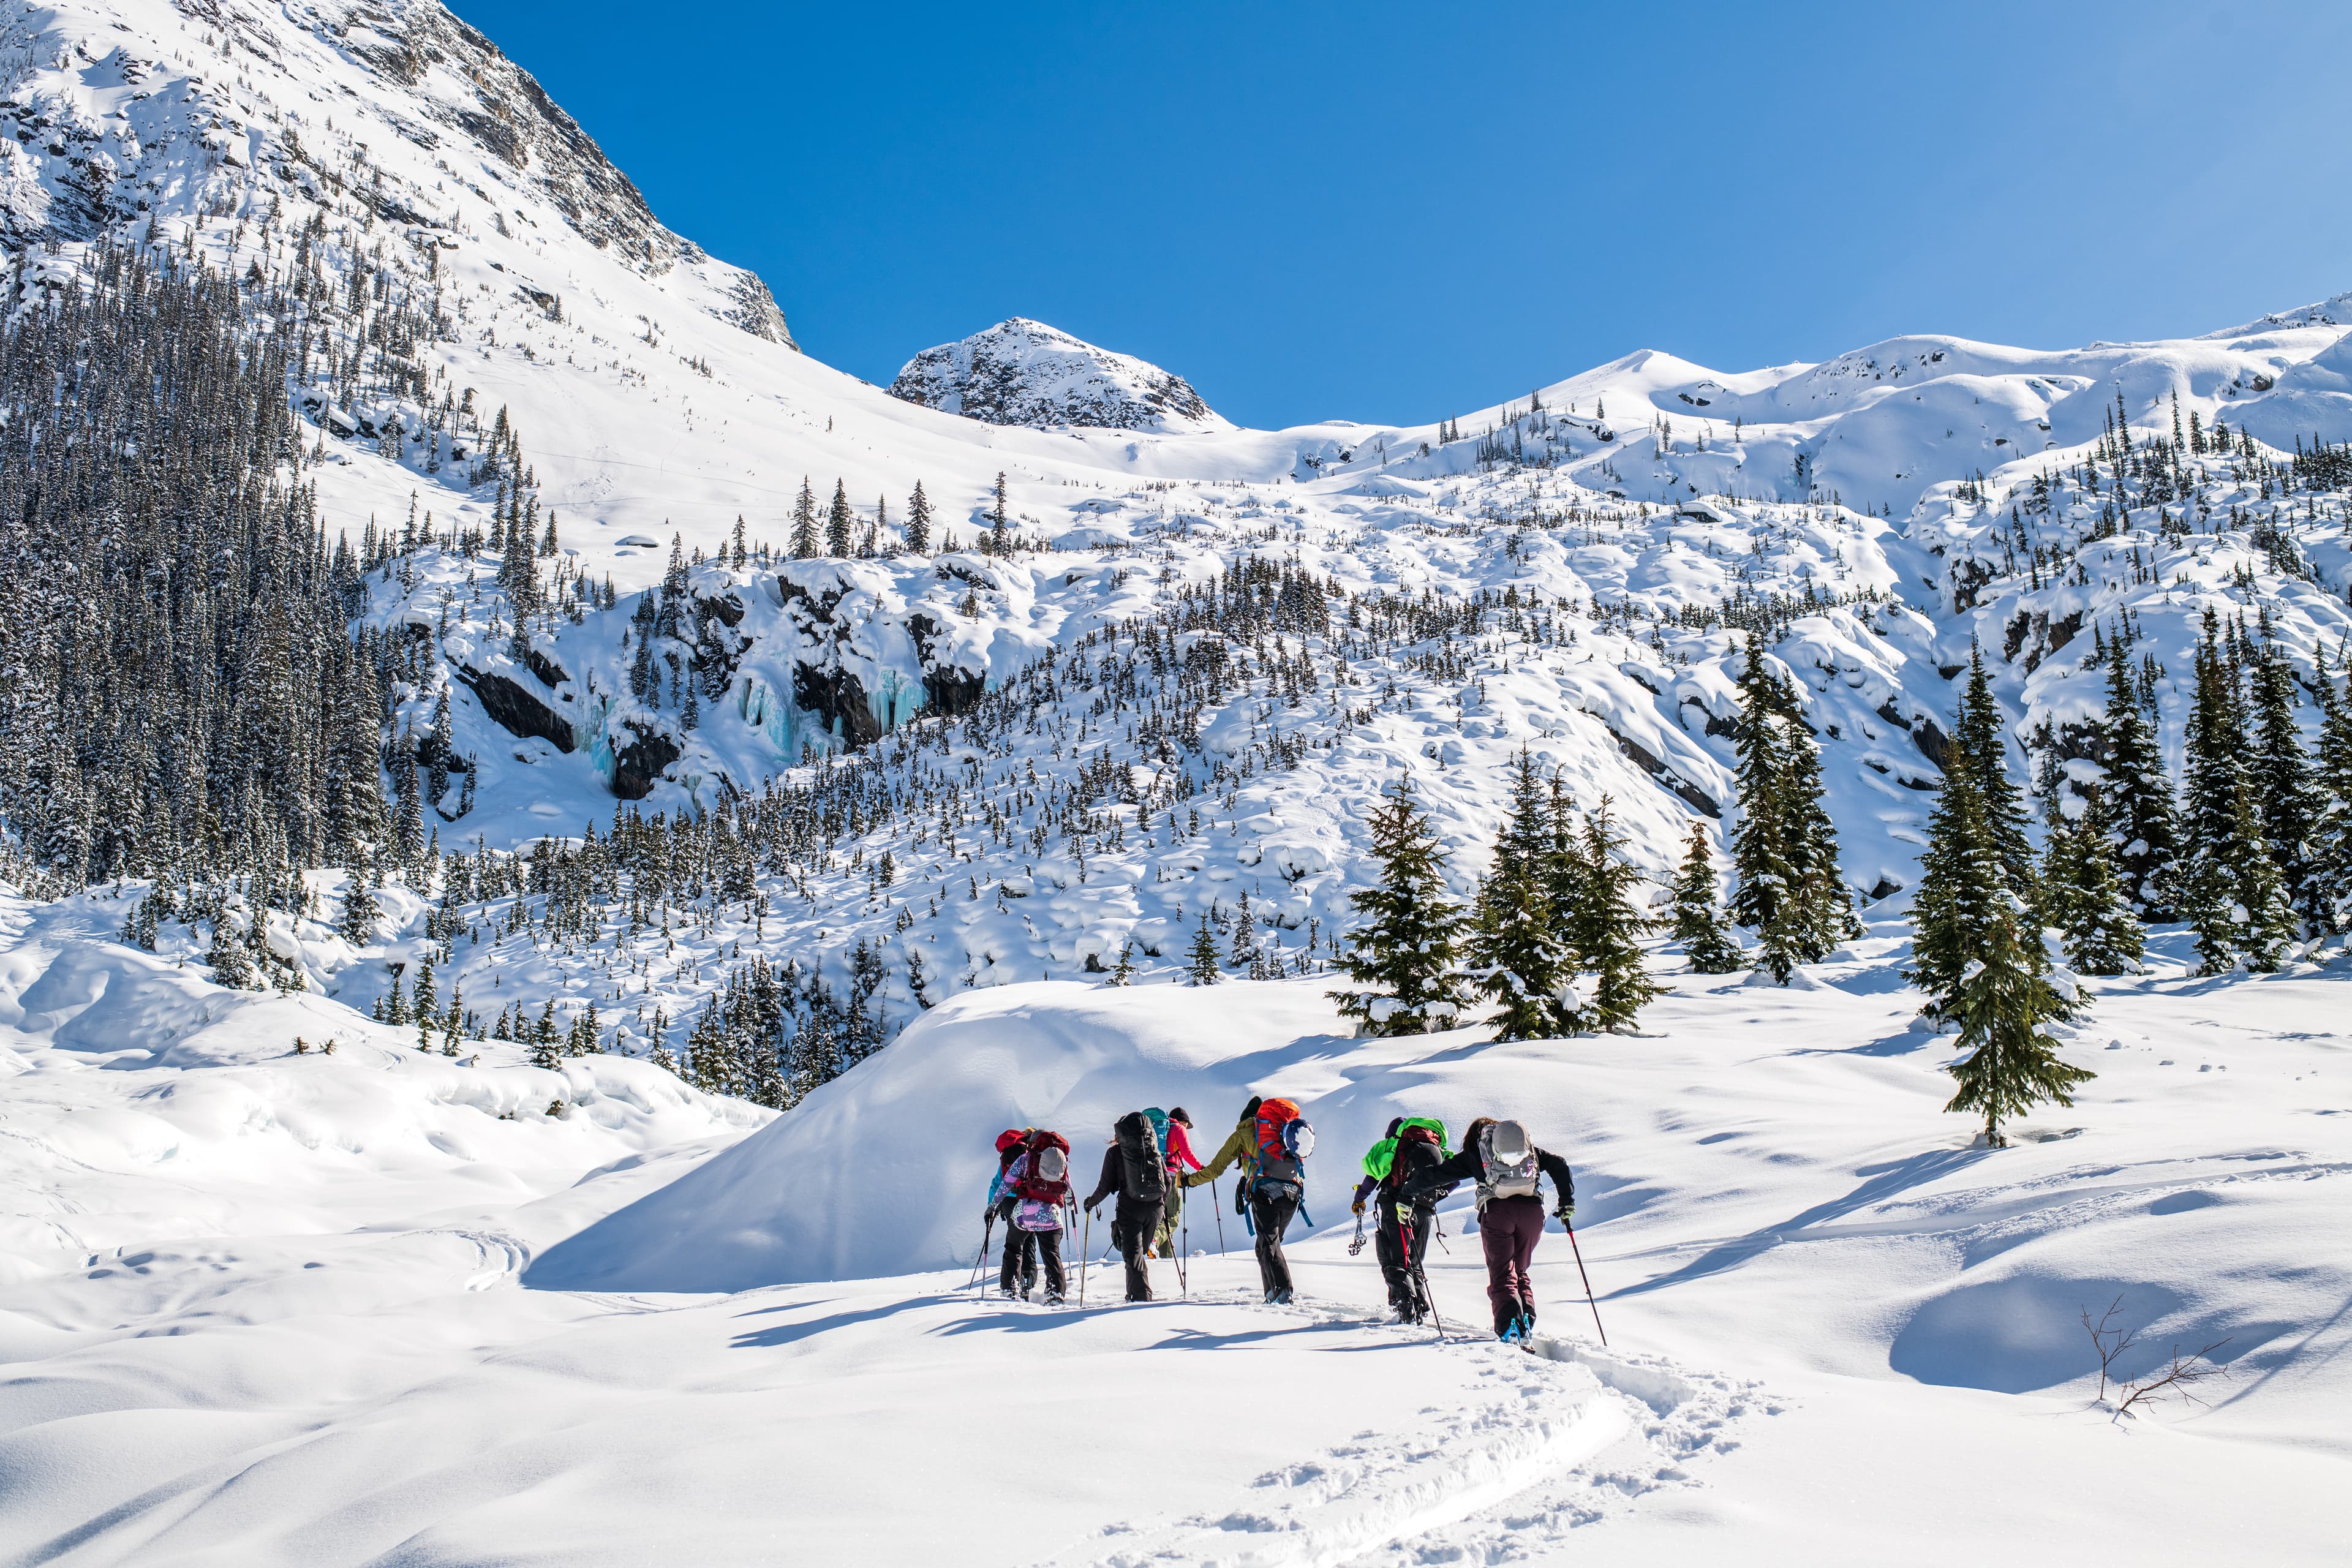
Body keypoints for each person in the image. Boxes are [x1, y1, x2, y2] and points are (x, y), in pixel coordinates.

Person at [1397, 1117, 1574, 1341]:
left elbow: (1434, 1176)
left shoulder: (1476, 1154)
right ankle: (1526, 1320)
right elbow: (1560, 1164)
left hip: (1498, 1214)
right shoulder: (1528, 1152)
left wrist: (1407, 1195)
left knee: (1503, 1273)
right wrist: (1566, 1201)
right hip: (1533, 1214)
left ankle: (1510, 1327)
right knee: (1520, 1270)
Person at [1186, 1095, 1312, 1305]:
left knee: (1269, 1243)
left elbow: (1215, 1169)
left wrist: (1189, 1181)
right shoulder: (1281, 1130)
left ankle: (1283, 1291)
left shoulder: (1244, 1133)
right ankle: (1271, 1294)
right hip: (1293, 1193)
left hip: (1265, 1193)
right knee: (1265, 1245)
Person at [1353, 1116, 1453, 1322]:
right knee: (1415, 1262)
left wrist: (1359, 1198)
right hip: (1425, 1211)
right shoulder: (1437, 1149)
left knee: (1396, 1258)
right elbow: (1454, 1180)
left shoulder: (1393, 1148)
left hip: (1397, 1207)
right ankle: (1420, 1306)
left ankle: (1405, 1308)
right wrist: (1433, 1196)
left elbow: (1372, 1179)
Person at [1083, 1110, 1167, 1302]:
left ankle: (1140, 1298)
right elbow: (1167, 1182)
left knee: (1133, 1255)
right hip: (1155, 1209)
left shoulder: (1114, 1153)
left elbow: (1104, 1187)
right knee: (1139, 1253)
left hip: (1130, 1209)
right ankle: (1137, 1294)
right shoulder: (1152, 1149)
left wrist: (1090, 1203)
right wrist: (1160, 1203)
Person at [987, 1130, 1071, 1303]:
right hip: (1051, 1216)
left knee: (1013, 1248)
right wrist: (1071, 1206)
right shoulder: (1059, 1160)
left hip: (1024, 1215)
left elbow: (1005, 1184)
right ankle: (1055, 1293)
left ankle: (1009, 1289)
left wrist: (993, 1206)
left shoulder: (1025, 1159)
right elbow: (1068, 1190)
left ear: (1032, 1144)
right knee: (1051, 1253)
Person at [1153, 1107, 1204, 1257]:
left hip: (1153, 1177)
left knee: (1161, 1216)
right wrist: (1201, 1168)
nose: (1187, 1128)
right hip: (1169, 1177)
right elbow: (1187, 1153)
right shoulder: (1179, 1129)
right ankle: (1153, 1240)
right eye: (1186, 1125)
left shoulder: (1161, 1132)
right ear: (1182, 1122)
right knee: (1172, 1217)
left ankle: (1165, 1258)